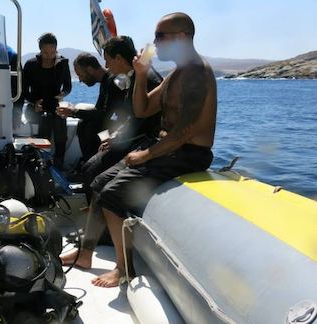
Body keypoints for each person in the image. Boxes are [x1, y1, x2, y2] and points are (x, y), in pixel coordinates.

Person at [89, 12, 217, 287]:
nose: (154, 43)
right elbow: (143, 108)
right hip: (165, 148)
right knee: (98, 182)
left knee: (111, 195)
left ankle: (123, 269)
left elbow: (187, 130)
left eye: (161, 36)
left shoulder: (197, 72)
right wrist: (141, 74)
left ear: (182, 37)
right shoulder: (177, 73)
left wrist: (146, 154)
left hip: (187, 154)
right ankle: (87, 252)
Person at [59, 36, 162, 269]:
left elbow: (144, 122)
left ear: (118, 58)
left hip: (143, 144)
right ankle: (92, 242)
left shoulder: (146, 79)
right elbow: (128, 117)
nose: (107, 66)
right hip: (130, 139)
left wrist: (117, 140)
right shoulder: (130, 78)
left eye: (108, 60)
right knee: (90, 170)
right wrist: (114, 137)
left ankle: (96, 240)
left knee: (94, 173)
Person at [56, 52, 127, 166]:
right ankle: (88, 162)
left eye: (80, 75)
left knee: (91, 127)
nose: (79, 80)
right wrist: (74, 112)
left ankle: (94, 164)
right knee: (83, 124)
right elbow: (99, 109)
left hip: (120, 130)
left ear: (89, 70)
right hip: (111, 125)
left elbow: (105, 114)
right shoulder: (105, 81)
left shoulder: (112, 82)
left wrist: (74, 112)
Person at [22, 33, 72, 168]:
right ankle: (42, 160)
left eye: (52, 51)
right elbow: (23, 91)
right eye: (45, 52)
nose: (49, 55)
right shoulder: (30, 65)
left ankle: (59, 161)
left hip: (54, 103)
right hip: (35, 106)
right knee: (46, 118)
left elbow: (68, 86)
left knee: (60, 119)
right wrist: (34, 102)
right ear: (40, 50)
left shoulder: (62, 63)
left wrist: (63, 93)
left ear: (56, 49)